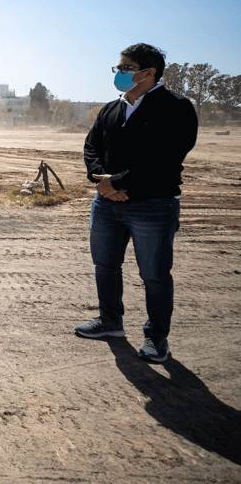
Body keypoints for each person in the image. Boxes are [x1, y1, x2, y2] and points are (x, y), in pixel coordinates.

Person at [76, 43, 198, 363]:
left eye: (125, 68)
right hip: (106, 205)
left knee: (154, 275)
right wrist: (100, 180)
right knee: (105, 266)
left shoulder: (177, 107)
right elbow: (92, 147)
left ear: (149, 72)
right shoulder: (112, 108)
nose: (119, 73)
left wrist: (115, 182)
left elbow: (164, 160)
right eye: (118, 68)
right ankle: (110, 321)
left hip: (154, 206)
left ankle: (157, 338)